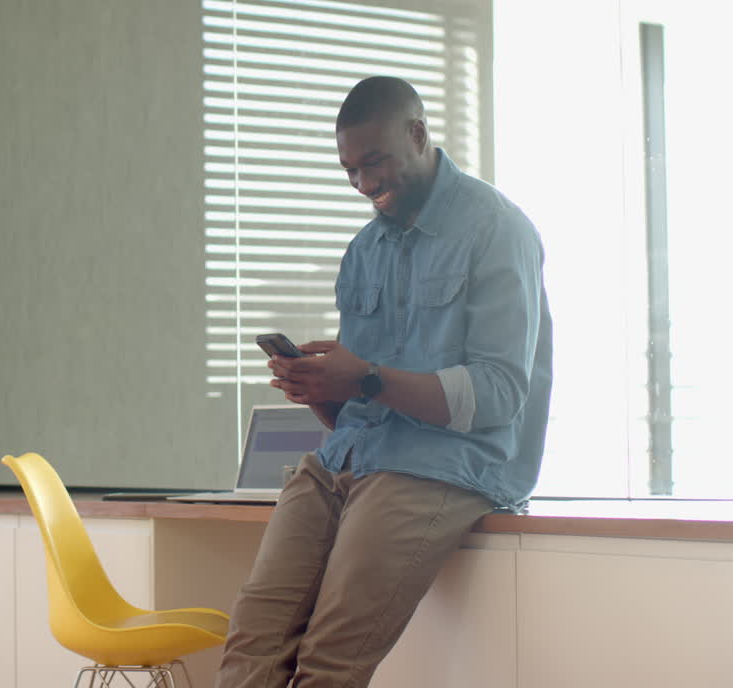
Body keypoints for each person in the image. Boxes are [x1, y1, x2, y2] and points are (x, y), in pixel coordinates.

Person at [215, 76, 553, 688]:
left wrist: (365, 378)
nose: (364, 184)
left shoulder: (497, 230)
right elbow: (361, 408)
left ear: (418, 135)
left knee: (328, 663)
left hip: (441, 465)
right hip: (347, 457)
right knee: (249, 645)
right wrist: (324, 391)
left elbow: (501, 393)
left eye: (375, 163)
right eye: (349, 170)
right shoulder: (364, 250)